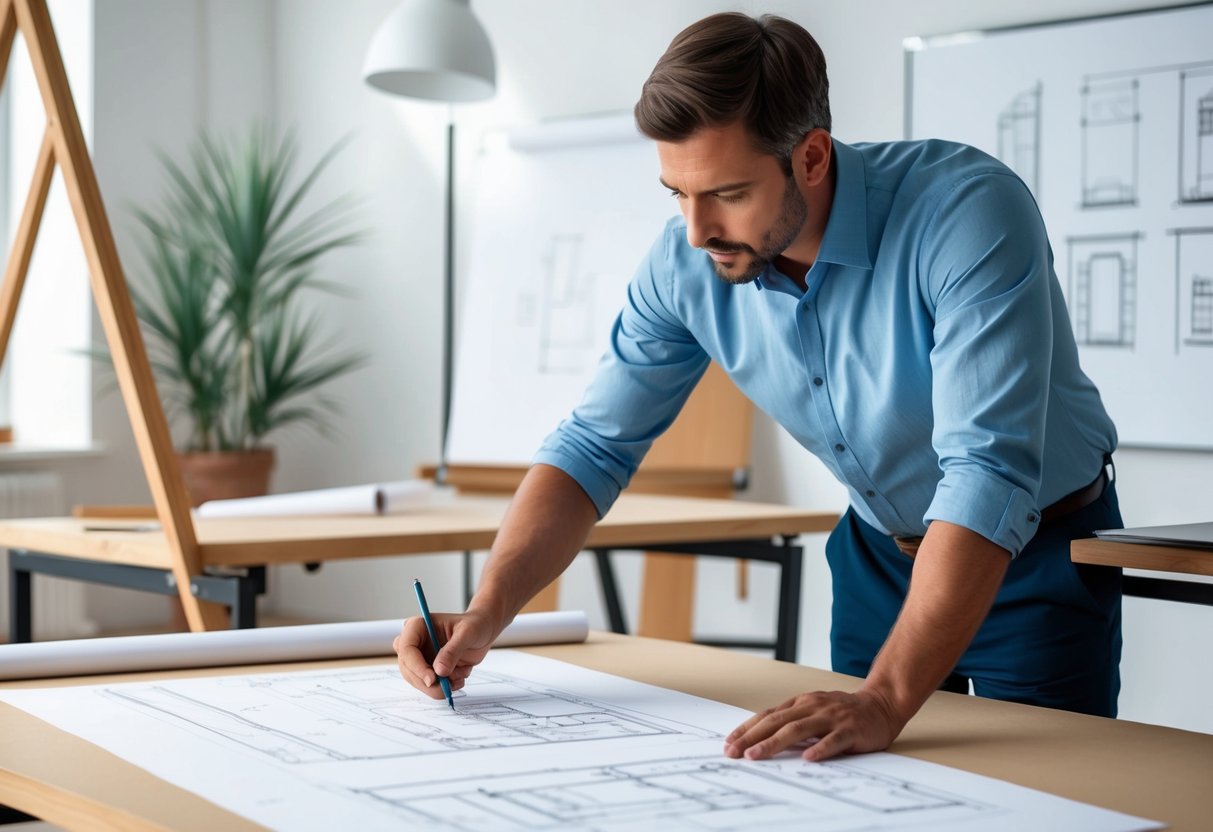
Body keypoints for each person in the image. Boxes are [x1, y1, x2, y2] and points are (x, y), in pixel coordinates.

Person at [395, 11, 1123, 763]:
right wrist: (487, 612)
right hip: (878, 557)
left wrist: (885, 696)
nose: (694, 230)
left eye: (726, 193)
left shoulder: (965, 213)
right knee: (871, 795)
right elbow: (591, 446)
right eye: (675, 193)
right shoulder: (684, 266)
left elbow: (987, 471)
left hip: (1036, 559)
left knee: (1048, 799)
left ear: (809, 157)